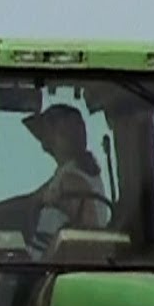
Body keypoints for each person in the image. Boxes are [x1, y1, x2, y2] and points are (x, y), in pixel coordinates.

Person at [22, 103, 110, 252]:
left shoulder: (71, 181)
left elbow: (91, 238)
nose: (43, 138)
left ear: (61, 134)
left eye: (49, 129)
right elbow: (31, 201)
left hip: (48, 269)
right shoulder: (68, 173)